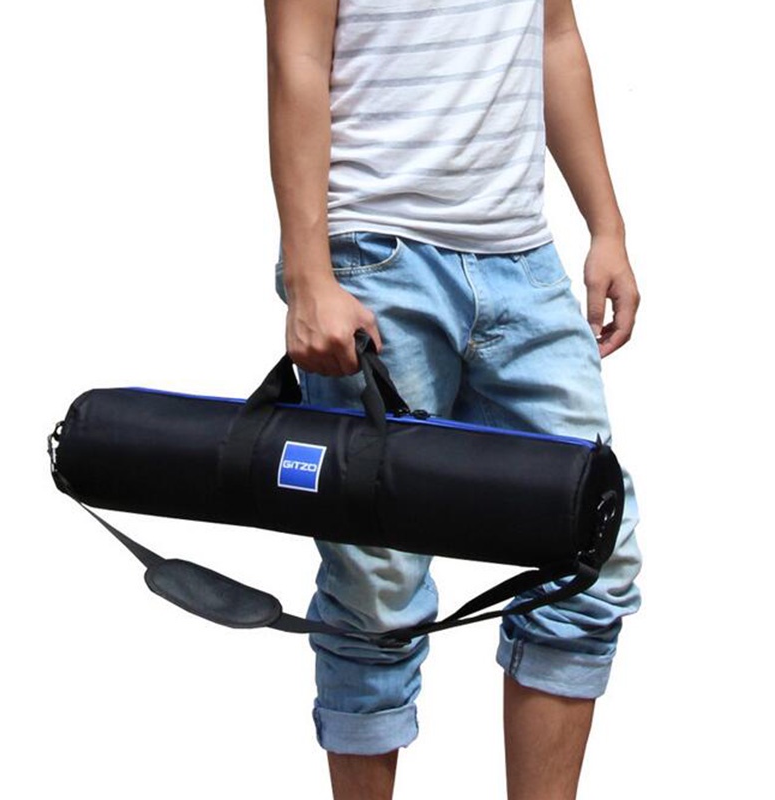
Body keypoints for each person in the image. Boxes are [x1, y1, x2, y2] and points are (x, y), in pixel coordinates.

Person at [265, 1, 642, 797]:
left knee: (589, 554)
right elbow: (298, 57)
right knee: (377, 589)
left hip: (522, 260)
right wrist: (307, 275)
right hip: (376, 257)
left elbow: (554, 35)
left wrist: (606, 226)